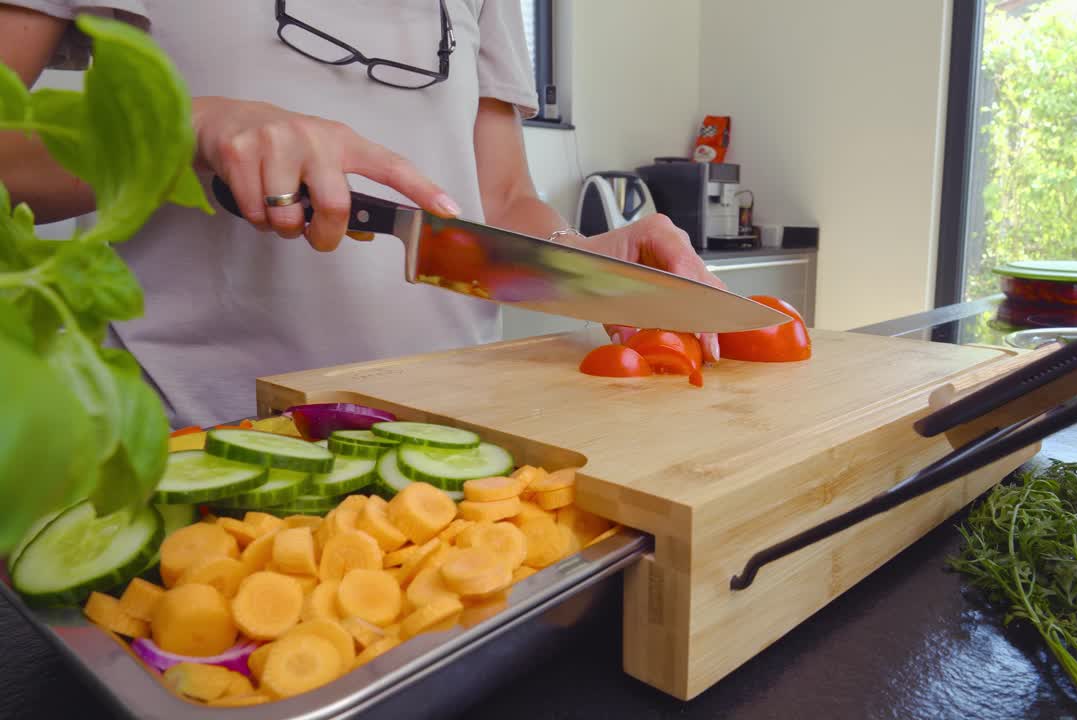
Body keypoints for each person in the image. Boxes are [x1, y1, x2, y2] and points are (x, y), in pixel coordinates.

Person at [0, 0, 723, 429]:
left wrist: (586, 257)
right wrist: (184, 129)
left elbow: (499, 199)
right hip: (191, 438)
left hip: (452, 439)